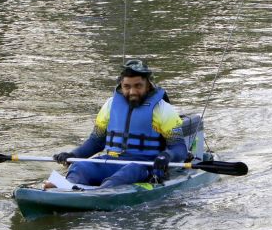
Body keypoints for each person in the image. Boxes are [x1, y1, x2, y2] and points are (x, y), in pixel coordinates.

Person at [47, 59, 189, 189]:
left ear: (148, 86)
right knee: (80, 167)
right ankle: (66, 188)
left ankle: (101, 193)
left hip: (143, 165)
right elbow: (96, 141)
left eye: (138, 86)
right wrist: (73, 154)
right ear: (121, 85)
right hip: (111, 161)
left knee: (124, 175)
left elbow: (179, 147)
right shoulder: (110, 105)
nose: (132, 92)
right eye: (127, 86)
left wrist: (166, 156)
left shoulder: (162, 109)